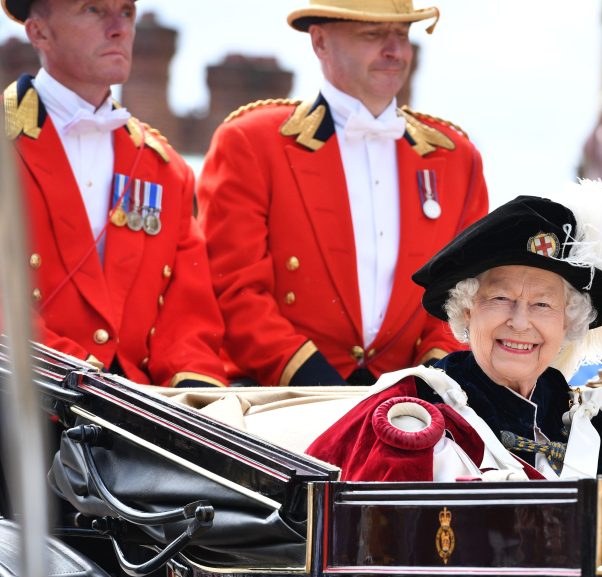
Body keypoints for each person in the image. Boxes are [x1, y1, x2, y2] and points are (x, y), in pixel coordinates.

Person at [198, 0, 488, 387]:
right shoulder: (251, 142)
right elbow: (233, 288)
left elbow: (469, 292)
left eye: (402, 35)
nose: (394, 50)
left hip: (415, 402)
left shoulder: (455, 158)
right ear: (320, 42)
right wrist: (320, 385)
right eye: (373, 34)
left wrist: (428, 381)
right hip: (280, 397)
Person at [305, 180, 602, 481]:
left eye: (543, 304)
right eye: (501, 298)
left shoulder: (600, 427)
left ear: (568, 322)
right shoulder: (413, 418)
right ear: (466, 311)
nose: (521, 322)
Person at [2, 0, 226, 387]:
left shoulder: (164, 168)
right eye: (92, 10)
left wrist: (195, 399)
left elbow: (188, 317)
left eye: (126, 12)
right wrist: (90, 386)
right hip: (22, 404)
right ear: (38, 32)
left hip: (138, 420)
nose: (118, 28)